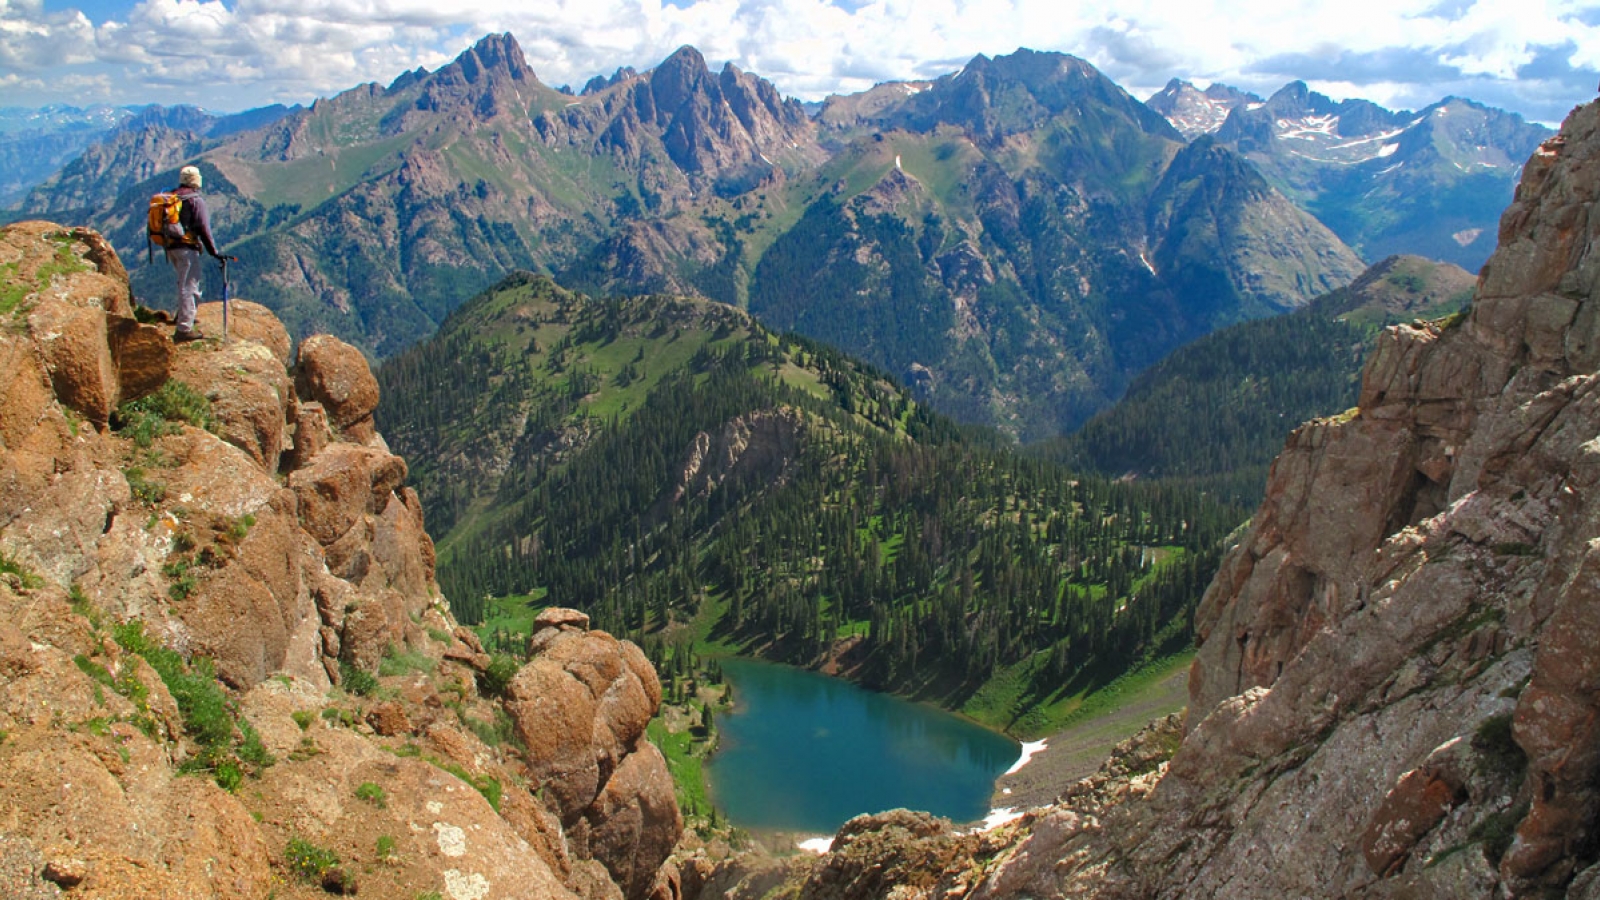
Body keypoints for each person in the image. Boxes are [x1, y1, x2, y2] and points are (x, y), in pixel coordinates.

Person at [167, 165, 222, 342]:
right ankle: (184, 329)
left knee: (181, 282)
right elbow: (203, 228)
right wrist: (213, 251)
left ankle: (182, 316)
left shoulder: (173, 196)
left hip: (171, 247)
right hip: (186, 248)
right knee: (190, 286)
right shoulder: (195, 200)